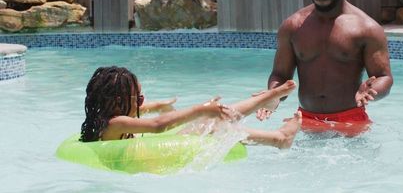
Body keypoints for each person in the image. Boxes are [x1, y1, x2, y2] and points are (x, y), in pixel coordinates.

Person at [256, 0, 393, 137]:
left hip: (351, 121)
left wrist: (371, 91)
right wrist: (273, 96)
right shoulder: (293, 26)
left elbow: (384, 77)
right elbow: (280, 74)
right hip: (306, 119)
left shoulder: (366, 28)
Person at [80, 66, 302, 149]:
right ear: (118, 103)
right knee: (212, 125)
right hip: (144, 160)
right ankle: (279, 139)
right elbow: (157, 126)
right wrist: (200, 109)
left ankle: (268, 99)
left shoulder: (106, 119)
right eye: (138, 99)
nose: (141, 104)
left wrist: (157, 105)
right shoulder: (116, 123)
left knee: (212, 120)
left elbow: (147, 112)